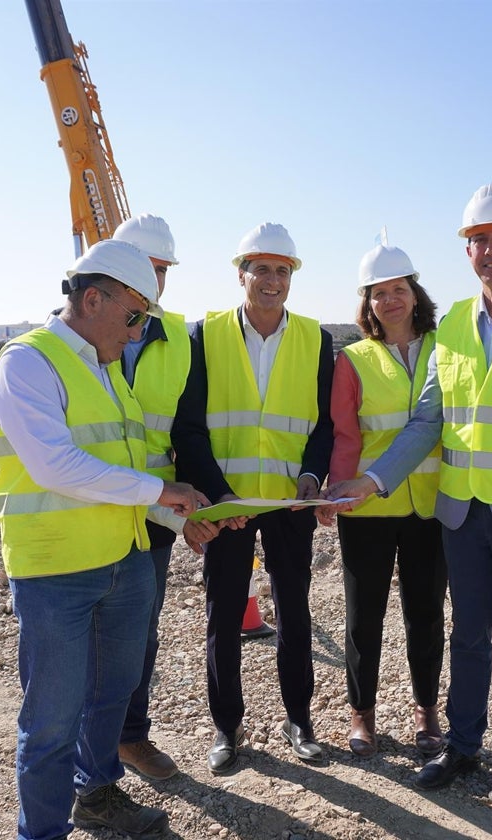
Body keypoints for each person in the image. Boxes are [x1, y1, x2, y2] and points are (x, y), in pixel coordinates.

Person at [325, 184, 492, 807]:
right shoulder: (450, 326)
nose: (491, 249)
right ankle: (465, 746)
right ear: (466, 252)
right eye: (479, 240)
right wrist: (372, 481)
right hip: (462, 515)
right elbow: (427, 422)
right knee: (467, 637)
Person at [0, 239, 212, 840]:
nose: (138, 334)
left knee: (113, 696)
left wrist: (179, 516)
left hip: (125, 561)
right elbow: (57, 467)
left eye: (146, 320)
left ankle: (98, 797)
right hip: (57, 572)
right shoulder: (27, 363)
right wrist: (162, 496)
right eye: (134, 316)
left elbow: (126, 473)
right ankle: (44, 832)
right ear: (91, 299)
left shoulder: (107, 371)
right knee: (52, 720)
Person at [172, 222, 335, 773]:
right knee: (223, 617)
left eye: (282, 271)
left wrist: (313, 475)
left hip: (290, 504)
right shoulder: (205, 334)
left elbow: (324, 425)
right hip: (228, 507)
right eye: (261, 269)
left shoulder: (317, 339)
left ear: (293, 278)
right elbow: (189, 427)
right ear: (241, 273)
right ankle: (226, 728)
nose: (272, 280)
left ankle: (300, 721)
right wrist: (219, 496)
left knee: (294, 612)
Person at [316, 240, 447, 758]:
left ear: (415, 294)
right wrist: (334, 490)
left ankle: (426, 711)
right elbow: (344, 434)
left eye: (399, 289)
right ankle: (361, 713)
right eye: (379, 293)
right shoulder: (353, 359)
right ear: (366, 304)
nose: (390, 300)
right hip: (367, 508)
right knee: (363, 615)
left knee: (426, 614)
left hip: (432, 506)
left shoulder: (447, 347)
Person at [111, 214, 221, 781]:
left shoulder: (179, 335)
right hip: (92, 509)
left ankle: (130, 737)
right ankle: (90, 753)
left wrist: (198, 510)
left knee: (140, 632)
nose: (154, 281)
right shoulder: (78, 333)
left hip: (154, 513)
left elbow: (188, 432)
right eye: (145, 268)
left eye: (161, 270)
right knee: (90, 635)